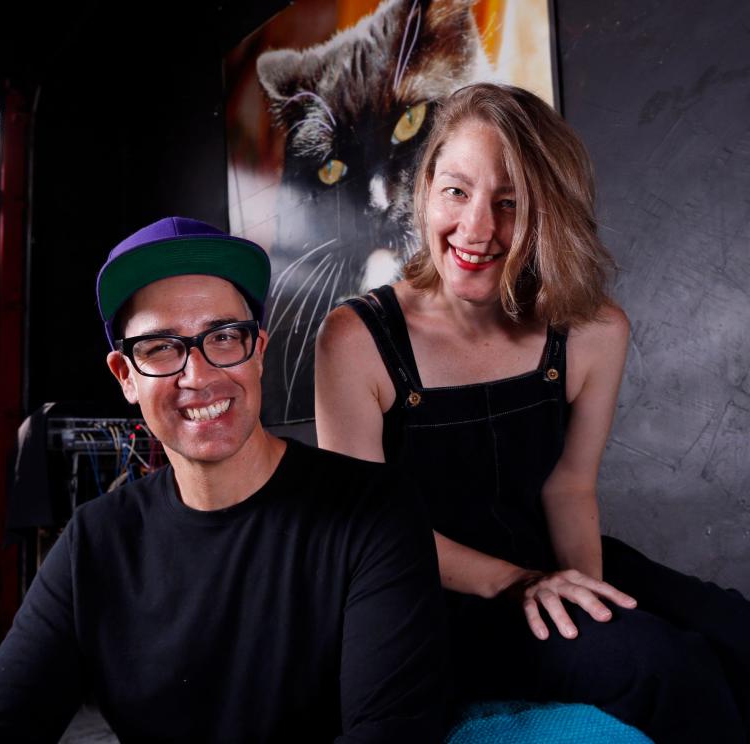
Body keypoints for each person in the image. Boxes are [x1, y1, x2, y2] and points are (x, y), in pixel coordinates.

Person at [314, 83, 750, 742]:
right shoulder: (353, 340)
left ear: (550, 212)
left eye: (510, 203)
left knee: (737, 633)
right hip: (429, 598)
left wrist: (583, 595)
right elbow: (363, 539)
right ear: (427, 186)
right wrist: (521, 584)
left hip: (547, 563)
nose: (477, 229)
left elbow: (569, 486)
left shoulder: (594, 330)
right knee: (666, 670)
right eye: (457, 190)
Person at [0, 216, 449, 743]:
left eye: (224, 337)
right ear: (125, 376)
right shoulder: (96, 541)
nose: (198, 376)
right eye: (161, 347)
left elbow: (392, 733)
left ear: (258, 351)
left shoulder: (373, 513)